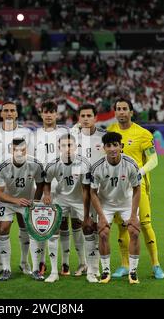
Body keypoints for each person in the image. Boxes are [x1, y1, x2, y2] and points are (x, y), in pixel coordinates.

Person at [107, 98, 164, 279]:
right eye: (118, 109)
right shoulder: (111, 131)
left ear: (131, 112)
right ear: (115, 112)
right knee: (123, 227)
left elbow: (154, 159)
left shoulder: (143, 134)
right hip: (117, 188)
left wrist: (140, 171)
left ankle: (156, 264)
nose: (121, 112)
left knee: (145, 225)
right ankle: (124, 265)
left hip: (137, 186)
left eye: (125, 109)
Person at [0, 101, 34, 277]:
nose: (9, 113)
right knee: (0, 227)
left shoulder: (26, 133)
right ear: (1, 114)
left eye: (13, 110)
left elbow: (33, 158)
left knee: (25, 226)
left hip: (25, 186)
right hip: (1, 188)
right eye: (6, 111)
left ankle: (24, 262)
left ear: (17, 113)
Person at [90, 132, 141, 284]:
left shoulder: (131, 164)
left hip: (126, 202)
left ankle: (133, 271)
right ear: (104, 148)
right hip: (106, 203)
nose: (112, 149)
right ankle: (106, 271)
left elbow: (137, 189)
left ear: (121, 146)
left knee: (134, 231)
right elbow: (93, 192)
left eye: (115, 145)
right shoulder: (97, 167)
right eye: (109, 146)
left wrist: (133, 215)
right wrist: (102, 217)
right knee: (104, 233)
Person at [43, 133, 91, 283]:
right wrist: (46, 195)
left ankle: (89, 267)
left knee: (88, 229)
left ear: (75, 146)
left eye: (70, 145)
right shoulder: (52, 164)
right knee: (53, 232)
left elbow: (85, 189)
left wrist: (86, 211)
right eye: (64, 145)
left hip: (78, 200)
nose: (67, 148)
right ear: (59, 147)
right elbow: (46, 181)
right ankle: (54, 272)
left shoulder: (84, 163)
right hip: (61, 199)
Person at [0, 138, 44, 281]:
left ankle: (30, 266)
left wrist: (35, 202)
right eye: (16, 150)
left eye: (22, 149)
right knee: (3, 228)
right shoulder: (2, 167)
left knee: (31, 230)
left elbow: (40, 184)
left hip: (27, 201)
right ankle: (6, 268)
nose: (19, 152)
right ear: (11, 151)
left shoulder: (35, 164)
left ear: (26, 150)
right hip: (7, 201)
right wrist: (16, 201)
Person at [71, 104, 107, 283]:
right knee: (84, 226)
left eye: (89, 115)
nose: (85, 118)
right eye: (82, 115)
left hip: (101, 190)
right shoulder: (73, 137)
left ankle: (96, 268)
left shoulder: (103, 136)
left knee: (99, 229)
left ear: (95, 118)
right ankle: (87, 266)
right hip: (80, 188)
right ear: (79, 118)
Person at [34, 100, 69, 275]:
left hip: (62, 185)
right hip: (41, 186)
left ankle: (65, 263)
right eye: (45, 112)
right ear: (41, 114)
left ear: (57, 114)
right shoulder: (35, 135)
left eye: (51, 112)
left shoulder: (65, 133)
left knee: (63, 224)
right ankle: (41, 262)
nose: (48, 115)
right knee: (41, 224)